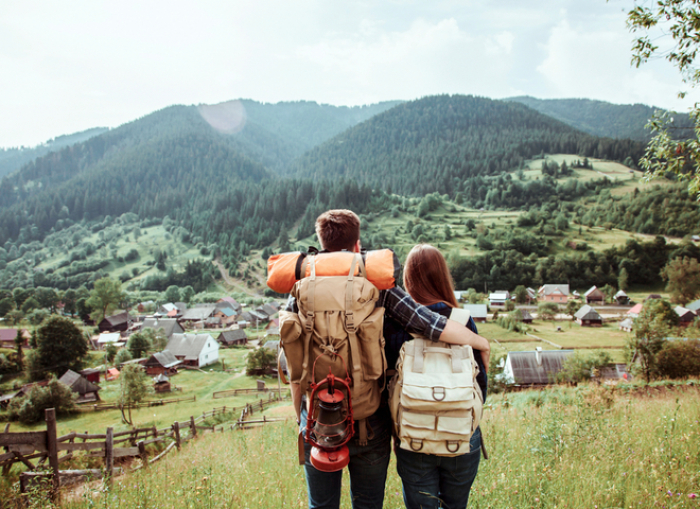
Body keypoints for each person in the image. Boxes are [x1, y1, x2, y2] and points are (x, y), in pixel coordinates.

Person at [283, 210, 490, 509]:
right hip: (369, 423)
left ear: (321, 244)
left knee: (321, 505)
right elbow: (427, 323)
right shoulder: (377, 286)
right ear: (358, 245)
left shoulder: (298, 291)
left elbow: (291, 360)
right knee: (368, 504)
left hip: (317, 419)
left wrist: (301, 416)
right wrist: (477, 341)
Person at [385, 244, 488, 509]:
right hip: (461, 432)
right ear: (443, 276)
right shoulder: (463, 321)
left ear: (408, 278)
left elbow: (387, 382)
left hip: (413, 434)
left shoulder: (396, 322)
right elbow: (480, 385)